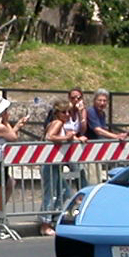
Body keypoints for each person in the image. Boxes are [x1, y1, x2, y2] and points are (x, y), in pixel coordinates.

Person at [40, 99, 88, 236]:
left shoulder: (60, 124)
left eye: (69, 112)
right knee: (51, 194)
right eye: (63, 112)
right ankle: (45, 223)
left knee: (64, 192)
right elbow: (50, 137)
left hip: (55, 164)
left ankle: (54, 218)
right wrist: (67, 138)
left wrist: (77, 139)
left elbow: (66, 136)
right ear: (57, 113)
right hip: (50, 164)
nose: (67, 114)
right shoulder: (58, 123)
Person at [0, 93, 28, 214]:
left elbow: (7, 135)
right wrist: (7, 121)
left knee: (10, 184)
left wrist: (17, 126)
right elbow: (12, 137)